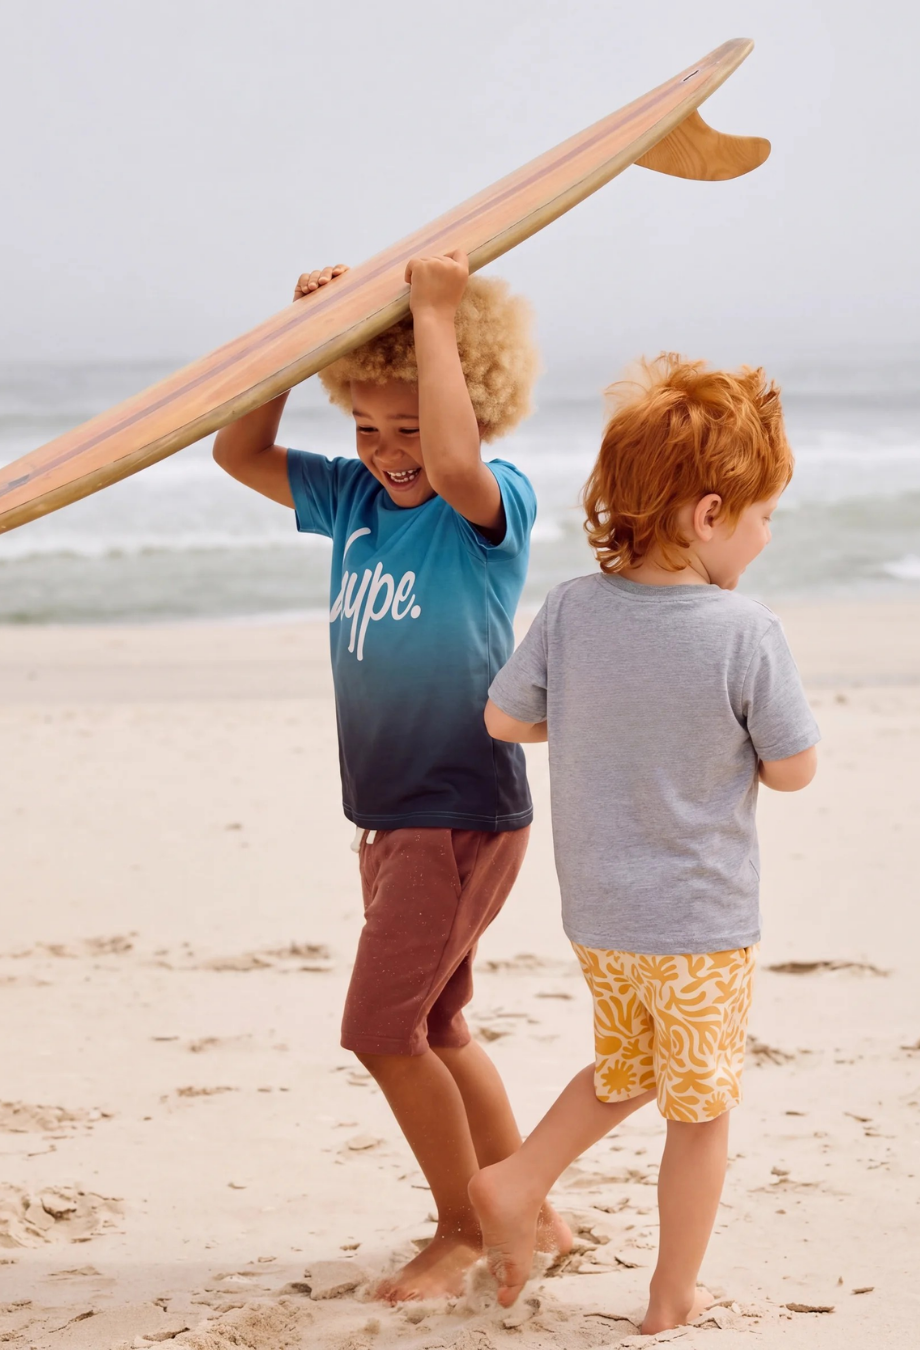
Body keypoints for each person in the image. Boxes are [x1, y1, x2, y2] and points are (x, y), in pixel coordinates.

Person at [212, 250, 571, 1302]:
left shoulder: (486, 502)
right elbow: (241, 448)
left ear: (469, 402)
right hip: (392, 816)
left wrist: (436, 318)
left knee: (380, 1031)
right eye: (366, 428)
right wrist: (296, 343)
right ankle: (531, 1208)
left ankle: (467, 1225)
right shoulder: (352, 500)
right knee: (439, 1022)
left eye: (408, 427)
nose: (387, 452)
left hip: (454, 809)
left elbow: (455, 463)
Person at [471, 354, 820, 1333]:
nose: (762, 538)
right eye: (760, 519)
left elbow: (506, 721)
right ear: (708, 515)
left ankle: (520, 1175)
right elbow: (794, 769)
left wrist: (593, 721)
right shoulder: (745, 631)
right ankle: (672, 1295)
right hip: (699, 924)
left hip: (601, 918)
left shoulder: (575, 609)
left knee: (628, 1067)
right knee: (699, 1112)